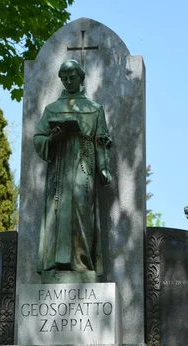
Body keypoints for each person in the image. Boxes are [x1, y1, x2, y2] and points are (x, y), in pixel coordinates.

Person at [34, 59, 113, 276]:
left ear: (80, 77)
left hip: (83, 167)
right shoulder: (51, 110)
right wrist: (52, 138)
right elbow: (38, 139)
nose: (68, 82)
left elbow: (100, 140)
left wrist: (104, 168)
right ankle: (55, 262)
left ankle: (82, 262)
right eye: (64, 78)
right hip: (58, 169)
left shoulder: (95, 109)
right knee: (57, 213)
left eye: (72, 77)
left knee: (81, 211)